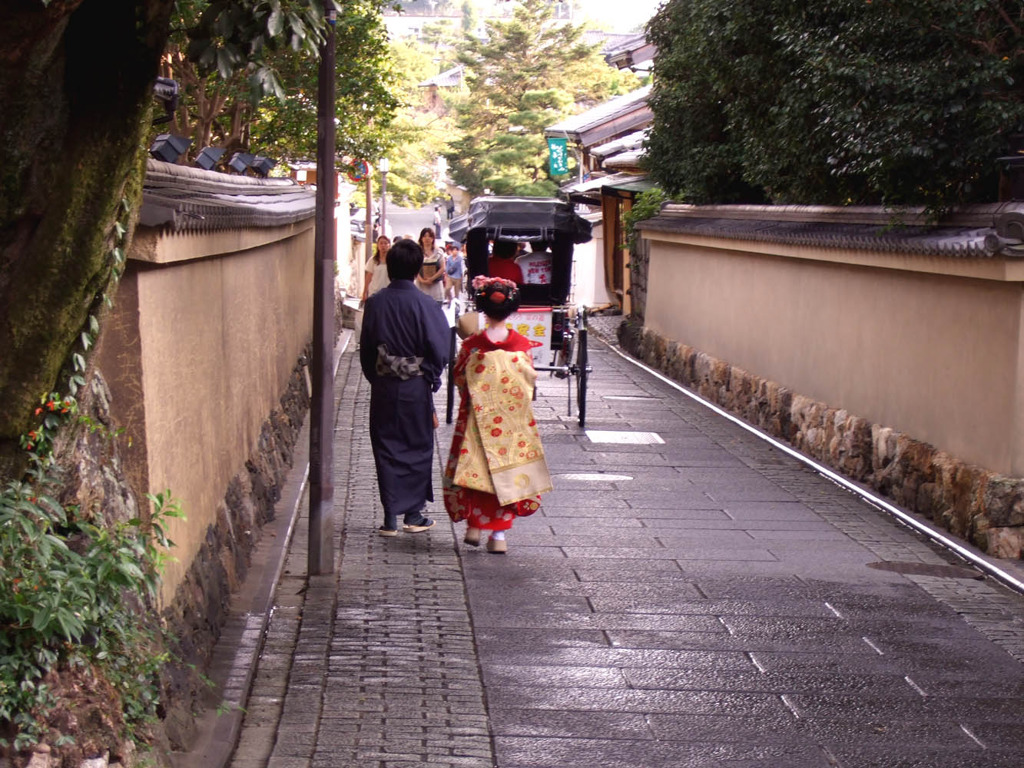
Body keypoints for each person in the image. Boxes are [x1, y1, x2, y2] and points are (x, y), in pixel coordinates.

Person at [443, 276, 552, 554]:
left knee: (474, 470)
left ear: (481, 308)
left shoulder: (473, 345)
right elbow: (528, 384)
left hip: (475, 420)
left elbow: (458, 378)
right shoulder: (521, 346)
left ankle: (474, 527)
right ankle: (499, 536)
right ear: (512, 309)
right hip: (510, 422)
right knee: (507, 472)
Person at [360, 239, 451, 536]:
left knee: (386, 446)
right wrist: (431, 377)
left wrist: (378, 377)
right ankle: (413, 514)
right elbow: (440, 348)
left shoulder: (375, 303)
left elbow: (367, 350)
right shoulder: (426, 304)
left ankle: (389, 518)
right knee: (417, 446)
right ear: (415, 269)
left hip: (385, 385)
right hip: (415, 386)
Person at [415, 227, 447, 303]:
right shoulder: (417, 252)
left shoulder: (439, 252)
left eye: (429, 236)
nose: (427, 238)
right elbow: (414, 268)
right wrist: (422, 280)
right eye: (424, 236)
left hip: (435, 287)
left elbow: (443, 268)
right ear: (421, 238)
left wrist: (431, 279)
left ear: (433, 238)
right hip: (421, 286)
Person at [362, 235, 391, 302]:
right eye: (381, 243)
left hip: (388, 293)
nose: (383, 245)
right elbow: (369, 276)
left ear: (389, 245)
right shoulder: (373, 260)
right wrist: (365, 292)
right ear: (377, 245)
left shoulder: (392, 260)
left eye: (385, 243)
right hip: (374, 293)